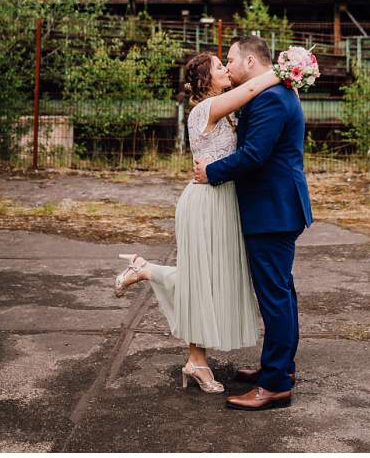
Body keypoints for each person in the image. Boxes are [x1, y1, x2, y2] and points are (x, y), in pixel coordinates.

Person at [113, 50, 279, 393]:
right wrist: (287, 70)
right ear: (206, 80)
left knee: (213, 281)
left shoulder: (222, 110)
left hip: (221, 200)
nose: (226, 69)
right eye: (221, 67)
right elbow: (249, 91)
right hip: (204, 202)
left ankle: (146, 270)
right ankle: (196, 362)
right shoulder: (206, 108)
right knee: (202, 281)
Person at [193, 34, 313, 411]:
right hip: (274, 207)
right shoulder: (269, 94)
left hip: (272, 211)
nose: (227, 66)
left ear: (249, 61)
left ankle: (275, 384)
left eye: (230, 59)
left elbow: (252, 155)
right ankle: (279, 368)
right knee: (281, 292)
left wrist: (210, 172)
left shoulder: (272, 99)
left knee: (274, 296)